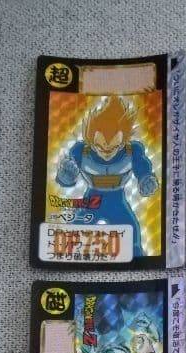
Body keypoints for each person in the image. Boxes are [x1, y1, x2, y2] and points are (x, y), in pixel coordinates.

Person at [56, 96, 158, 256]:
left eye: (114, 147)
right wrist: (66, 176)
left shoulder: (132, 151)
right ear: (91, 140)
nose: (107, 152)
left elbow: (142, 169)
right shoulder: (81, 151)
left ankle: (136, 259)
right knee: (75, 234)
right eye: (100, 147)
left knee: (131, 233)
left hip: (117, 200)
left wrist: (146, 180)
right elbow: (65, 180)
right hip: (92, 200)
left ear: (123, 141)